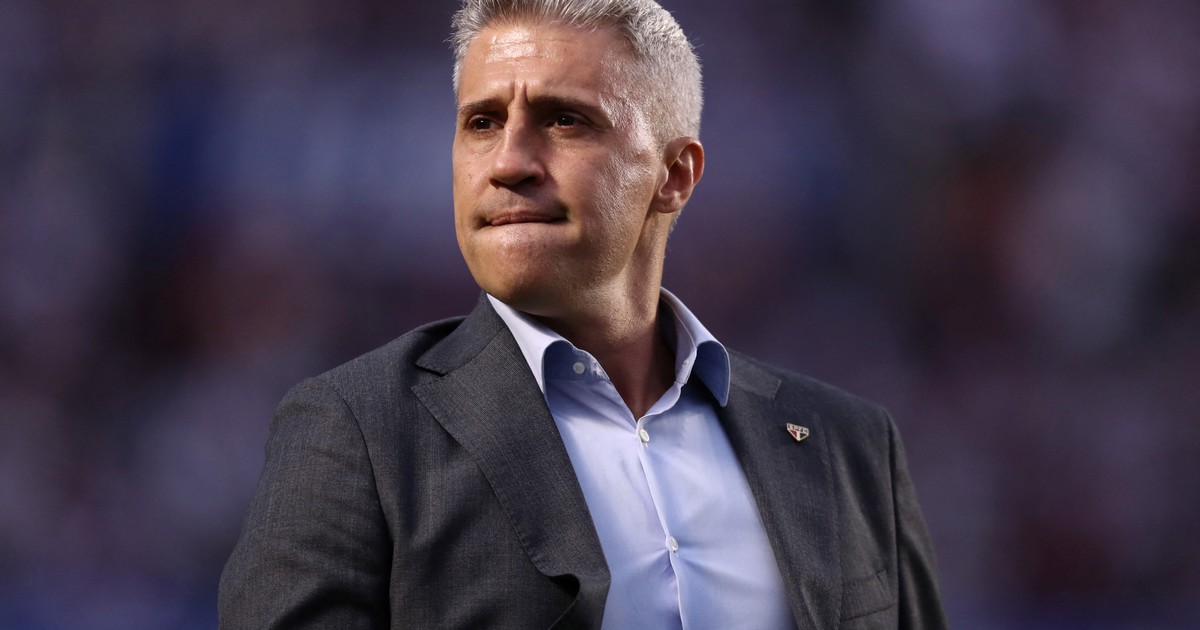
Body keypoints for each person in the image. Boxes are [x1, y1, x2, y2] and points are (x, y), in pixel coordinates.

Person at [218, 0, 948, 627]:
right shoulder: (356, 432)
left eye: (564, 120)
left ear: (675, 175)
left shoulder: (851, 448)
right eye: (481, 123)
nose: (508, 162)